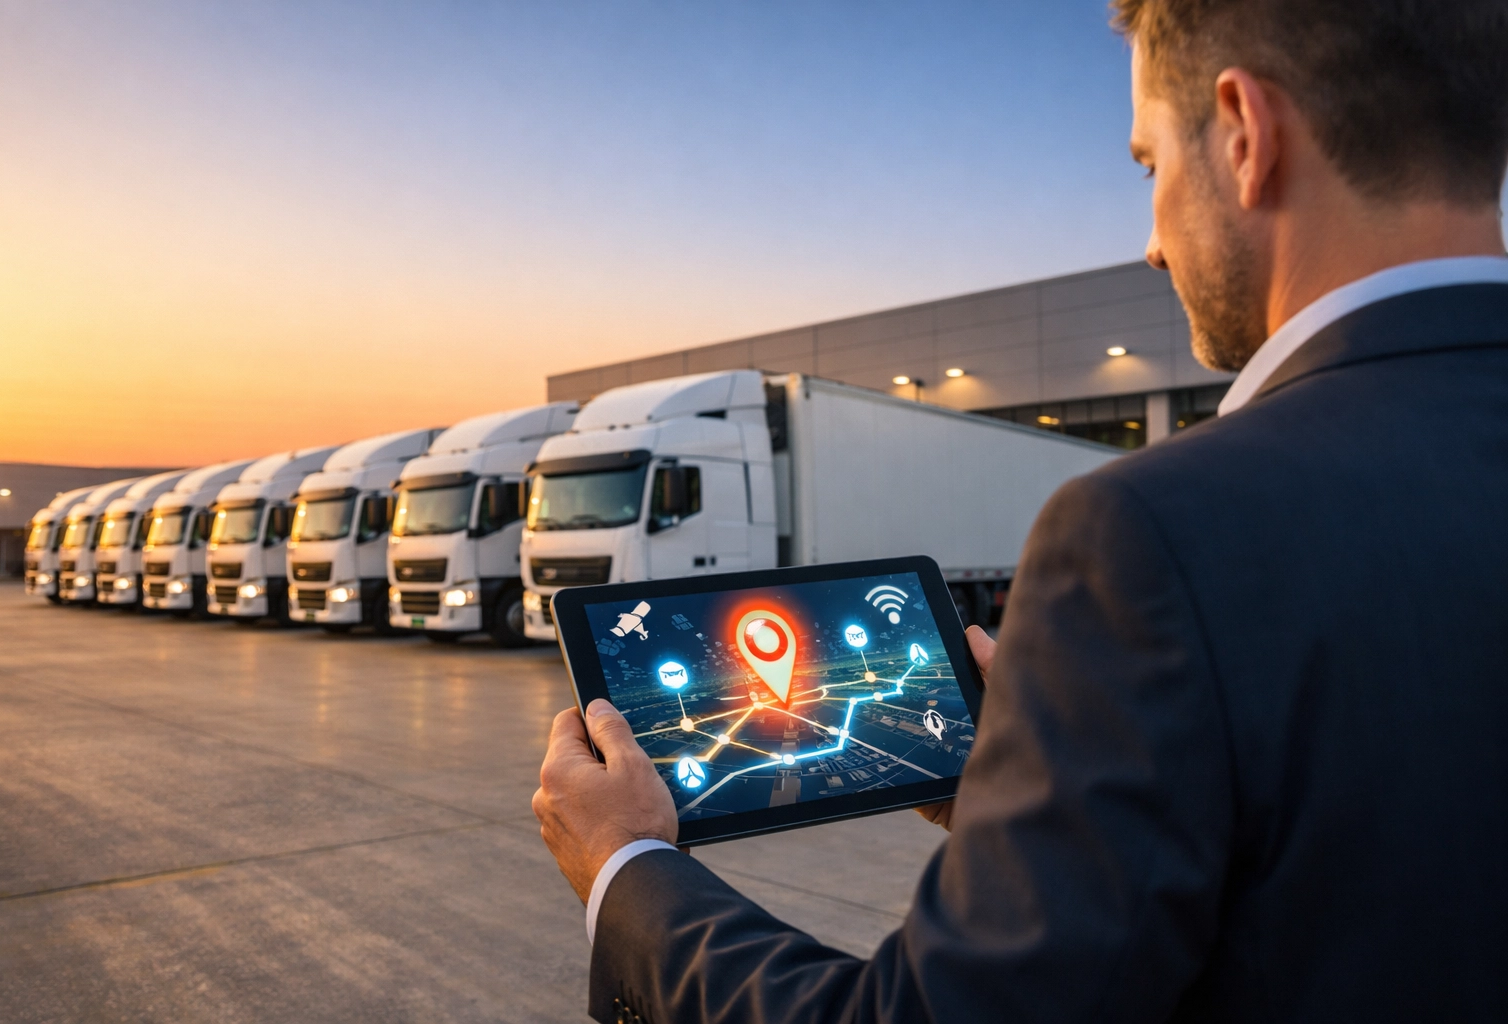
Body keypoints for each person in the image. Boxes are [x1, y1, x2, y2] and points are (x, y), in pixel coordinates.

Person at [533, 0, 1508, 1019]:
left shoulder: (1155, 532)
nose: (1153, 243)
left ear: (1244, 135)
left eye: (1149, 166)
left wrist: (629, 864)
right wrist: (1069, 812)